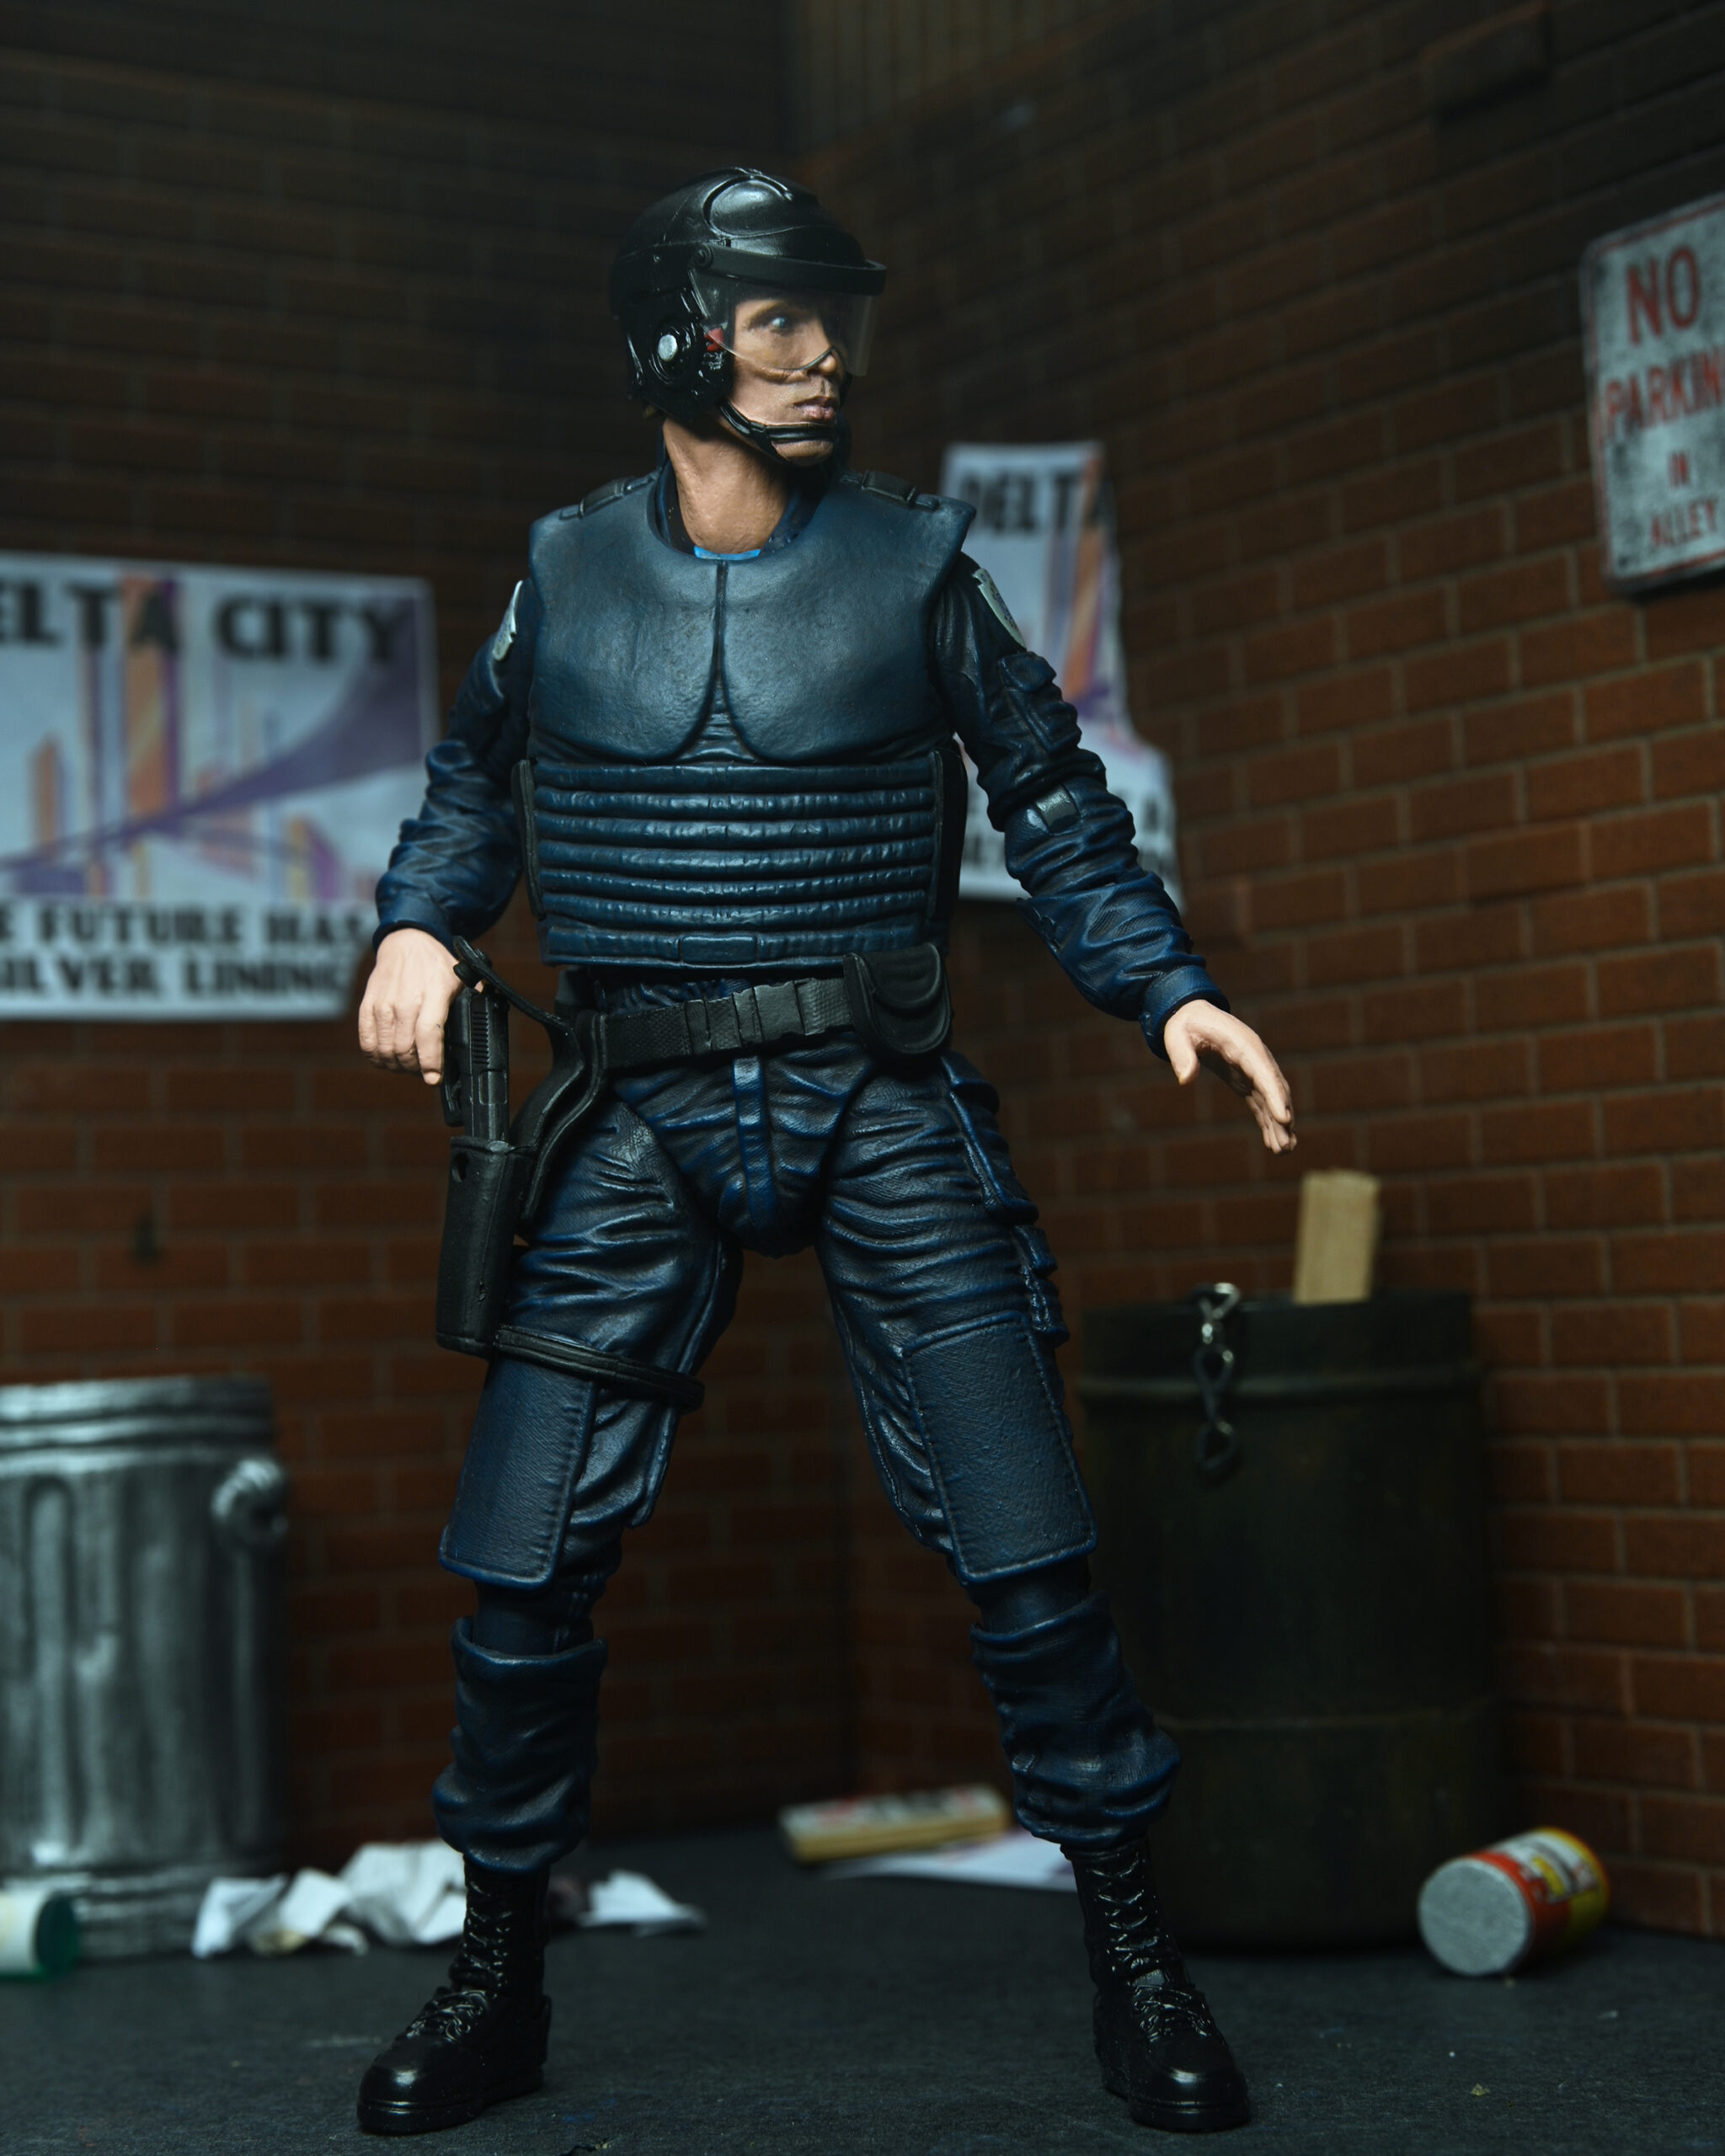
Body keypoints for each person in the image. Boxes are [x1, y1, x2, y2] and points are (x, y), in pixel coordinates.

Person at [353, 167, 1295, 2140]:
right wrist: (422, 921)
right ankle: (496, 1968)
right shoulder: (562, 571)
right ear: (677, 338)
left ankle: (1139, 1956)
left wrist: (1165, 987)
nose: (822, 355)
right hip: (635, 1109)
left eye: (828, 317)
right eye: (778, 318)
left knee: (1029, 1545)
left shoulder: (914, 562)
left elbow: (1051, 798)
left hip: (877, 1092)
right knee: (522, 1567)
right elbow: (471, 785)